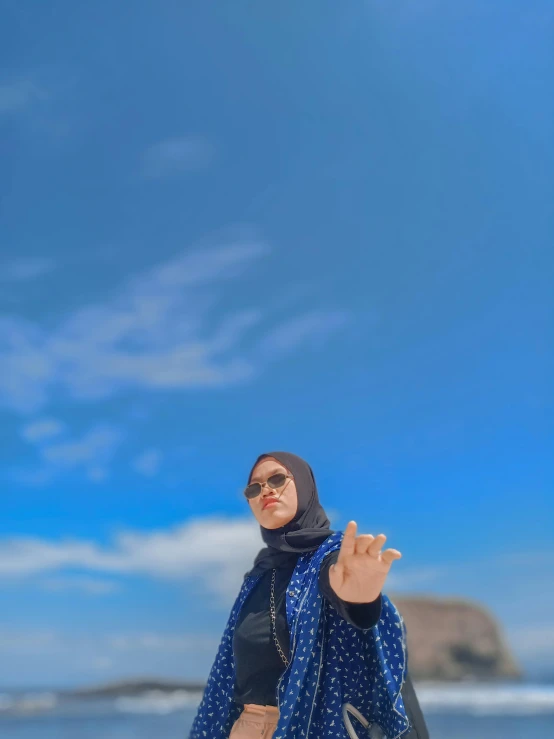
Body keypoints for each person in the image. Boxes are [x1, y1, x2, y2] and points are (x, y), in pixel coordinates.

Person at [189, 451, 429, 739]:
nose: (265, 491)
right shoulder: (258, 575)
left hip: (313, 727)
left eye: (277, 479)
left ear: (304, 485)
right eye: (254, 488)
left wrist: (358, 594)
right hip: (246, 728)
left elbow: (349, 598)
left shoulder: (331, 557)